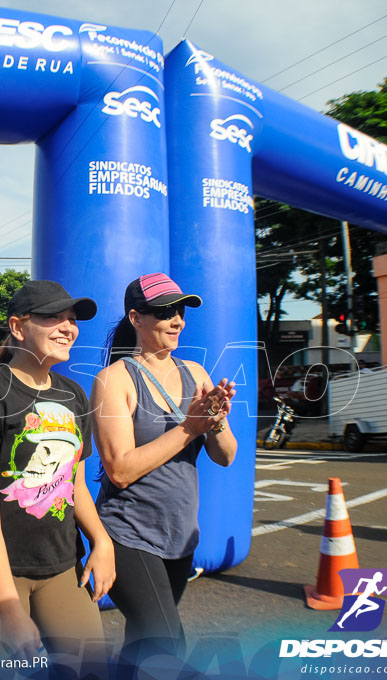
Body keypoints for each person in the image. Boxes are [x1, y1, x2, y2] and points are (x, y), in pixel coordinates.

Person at [0, 280, 114, 671]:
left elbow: (73, 483)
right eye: (52, 317)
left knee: (90, 670)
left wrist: (102, 541)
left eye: (72, 319)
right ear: (18, 327)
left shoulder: (74, 395)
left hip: (60, 565)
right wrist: (8, 608)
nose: (67, 327)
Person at [92, 272, 237, 658]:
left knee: (144, 642)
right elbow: (119, 470)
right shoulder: (114, 380)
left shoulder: (197, 374)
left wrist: (216, 421)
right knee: (168, 644)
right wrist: (191, 427)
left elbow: (226, 456)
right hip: (128, 534)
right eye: (164, 312)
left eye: (179, 310)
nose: (177, 320)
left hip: (180, 535)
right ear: (136, 319)